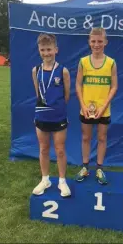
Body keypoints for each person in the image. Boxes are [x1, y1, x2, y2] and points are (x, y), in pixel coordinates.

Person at [75, 27, 118, 184]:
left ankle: (99, 168)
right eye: (93, 41)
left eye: (100, 41)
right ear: (89, 42)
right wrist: (83, 105)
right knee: (86, 137)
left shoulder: (111, 63)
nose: (96, 44)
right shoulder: (83, 62)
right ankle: (85, 167)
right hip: (86, 109)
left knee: (102, 138)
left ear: (105, 42)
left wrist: (104, 106)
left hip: (103, 110)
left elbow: (114, 86)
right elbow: (78, 85)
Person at [32, 33, 71, 197]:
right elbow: (38, 93)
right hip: (41, 117)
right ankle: (45, 179)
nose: (46, 53)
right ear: (39, 50)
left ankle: (62, 181)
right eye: (43, 50)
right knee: (43, 149)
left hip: (58, 117)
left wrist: (56, 107)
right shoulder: (36, 70)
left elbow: (67, 95)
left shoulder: (63, 71)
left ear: (56, 49)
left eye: (49, 49)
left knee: (60, 150)